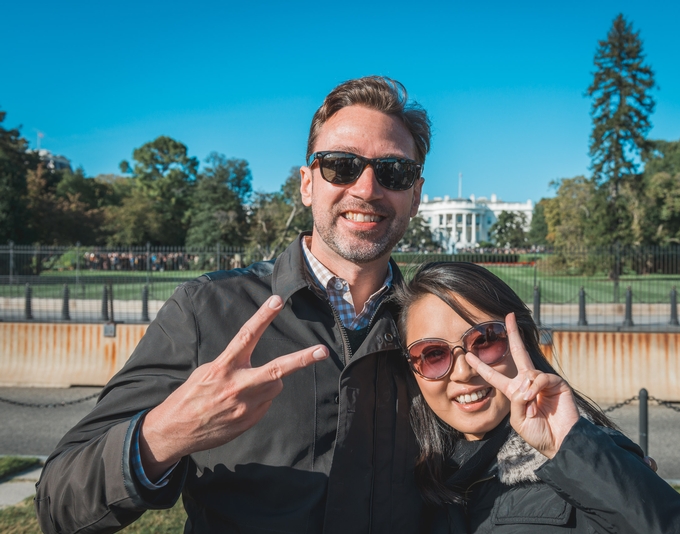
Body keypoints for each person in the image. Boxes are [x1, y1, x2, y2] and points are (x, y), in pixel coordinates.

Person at [35, 76, 430, 534]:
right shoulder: (206, 310)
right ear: (307, 184)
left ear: (415, 195)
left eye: (393, 172)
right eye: (340, 166)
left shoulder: (437, 325)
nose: (366, 187)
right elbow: (57, 503)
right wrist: (165, 432)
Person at [393, 262, 680, 533]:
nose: (465, 371)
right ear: (412, 369)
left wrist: (572, 448)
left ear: (520, 339)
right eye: (432, 354)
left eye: (485, 340)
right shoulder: (412, 478)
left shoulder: (589, 459)